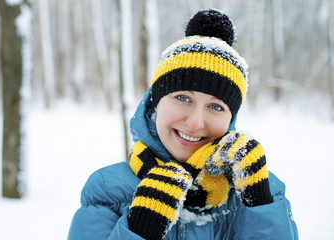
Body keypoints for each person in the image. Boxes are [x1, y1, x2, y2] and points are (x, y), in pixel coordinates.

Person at [68, 9, 298, 240]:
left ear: (231, 119)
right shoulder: (108, 192)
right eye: (183, 98)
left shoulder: (264, 193)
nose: (195, 122)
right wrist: (140, 230)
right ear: (156, 102)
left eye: (216, 106)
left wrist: (259, 204)